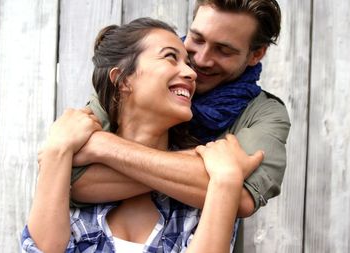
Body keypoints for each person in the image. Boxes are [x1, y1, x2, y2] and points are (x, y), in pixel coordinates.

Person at [22, 18, 263, 253]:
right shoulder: (70, 176)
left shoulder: (204, 185)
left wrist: (225, 181)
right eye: (171, 57)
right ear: (123, 79)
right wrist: (56, 148)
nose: (191, 72)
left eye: (187, 63)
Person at [71, 0, 290, 220]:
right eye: (197, 38)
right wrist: (215, 170)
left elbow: (240, 199)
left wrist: (107, 147)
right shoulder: (140, 74)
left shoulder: (264, 114)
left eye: (224, 50)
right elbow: (73, 180)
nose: (201, 60)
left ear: (256, 54)